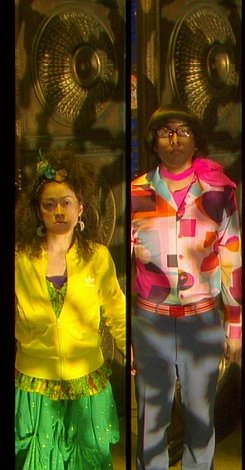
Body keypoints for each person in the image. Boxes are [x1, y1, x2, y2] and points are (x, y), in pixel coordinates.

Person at [130, 103, 243, 469]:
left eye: (184, 131)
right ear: (154, 141)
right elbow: (124, 266)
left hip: (202, 321)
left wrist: (235, 326)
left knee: (200, 419)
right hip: (151, 321)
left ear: (196, 140)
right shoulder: (136, 192)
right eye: (166, 132)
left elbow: (232, 258)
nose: (175, 139)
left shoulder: (218, 191)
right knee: (151, 421)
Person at [14, 149, 127, 469]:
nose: (58, 211)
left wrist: (130, 349)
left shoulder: (98, 256)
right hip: (35, 382)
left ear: (81, 209)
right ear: (38, 212)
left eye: (66, 202)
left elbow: (115, 308)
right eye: (49, 205)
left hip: (86, 380)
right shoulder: (21, 258)